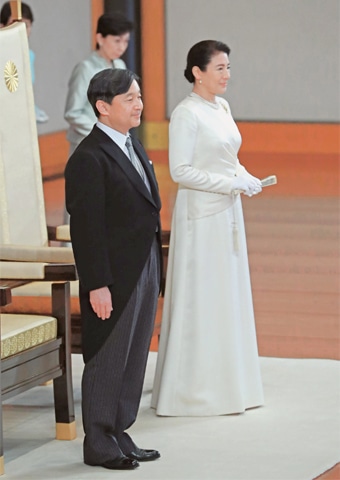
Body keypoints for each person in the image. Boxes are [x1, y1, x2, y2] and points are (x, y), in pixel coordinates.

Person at [151, 40, 264, 416]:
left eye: (228, 67)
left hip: (228, 210)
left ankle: (232, 383)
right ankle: (193, 390)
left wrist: (246, 176)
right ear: (197, 72)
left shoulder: (223, 106)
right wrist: (231, 184)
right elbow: (181, 170)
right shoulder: (186, 113)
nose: (227, 75)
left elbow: (228, 157)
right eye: (219, 68)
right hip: (201, 213)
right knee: (203, 292)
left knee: (227, 292)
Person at [65, 68, 162, 470]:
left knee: (136, 351)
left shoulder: (132, 145)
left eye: (139, 96)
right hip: (112, 274)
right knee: (108, 355)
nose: (138, 105)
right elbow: (86, 230)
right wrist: (97, 284)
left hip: (143, 262)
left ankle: (121, 429)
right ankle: (99, 442)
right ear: (103, 107)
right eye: (129, 99)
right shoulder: (88, 158)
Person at [64, 12, 133, 155]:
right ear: (100, 38)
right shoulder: (85, 69)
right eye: (117, 41)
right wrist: (103, 132)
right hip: (88, 143)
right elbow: (73, 113)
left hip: (115, 142)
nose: (122, 47)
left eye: (126, 41)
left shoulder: (120, 65)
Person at [0, 1, 48, 122]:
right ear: (2, 26)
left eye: (25, 26)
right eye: (13, 25)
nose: (20, 31)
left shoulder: (29, 55)